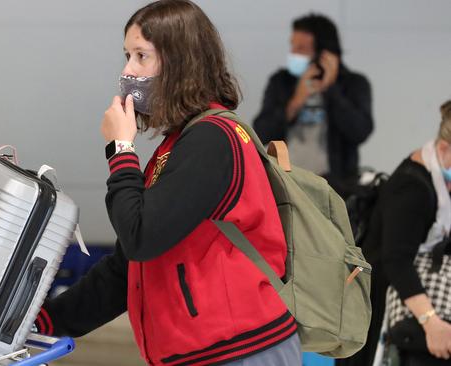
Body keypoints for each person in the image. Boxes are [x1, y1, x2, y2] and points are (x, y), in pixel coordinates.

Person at [33, 1, 301, 365]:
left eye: (142, 56)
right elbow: (129, 266)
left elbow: (142, 236)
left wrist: (121, 148)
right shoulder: (179, 144)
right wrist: (46, 321)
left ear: (180, 63)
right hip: (203, 351)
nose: (128, 71)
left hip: (240, 350)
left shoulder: (213, 138)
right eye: (127, 55)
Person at [355, 100, 451, 366]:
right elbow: (396, 261)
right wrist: (432, 324)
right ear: (444, 149)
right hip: (384, 309)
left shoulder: (435, 174)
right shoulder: (413, 189)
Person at [253, 13, 373, 197]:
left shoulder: (353, 84)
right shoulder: (281, 82)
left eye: (301, 49)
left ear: (324, 54)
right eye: (292, 46)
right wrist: (295, 102)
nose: (293, 53)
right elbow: (260, 132)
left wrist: (331, 90)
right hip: (287, 187)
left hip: (334, 189)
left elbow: (359, 131)